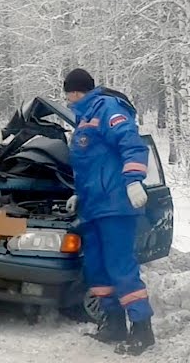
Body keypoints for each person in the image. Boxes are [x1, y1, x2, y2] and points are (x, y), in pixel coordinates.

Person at [64, 68, 154, 356]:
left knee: (120, 267)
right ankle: (113, 323)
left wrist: (133, 182)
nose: (66, 99)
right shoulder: (83, 118)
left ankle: (142, 330)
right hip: (93, 207)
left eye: (68, 93)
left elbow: (131, 144)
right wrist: (79, 194)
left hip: (116, 205)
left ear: (77, 91)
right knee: (97, 268)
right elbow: (91, 164)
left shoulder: (107, 109)